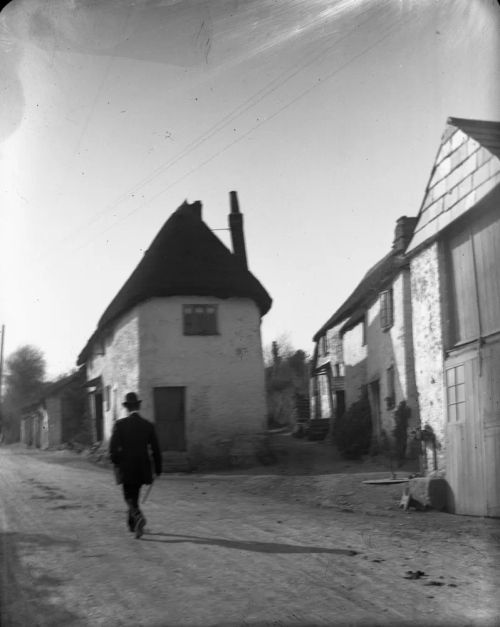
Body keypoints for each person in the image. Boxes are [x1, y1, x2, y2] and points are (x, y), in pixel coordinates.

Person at [109, 392, 162, 538]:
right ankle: (133, 526)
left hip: (126, 467)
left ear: (126, 408)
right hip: (142, 467)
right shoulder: (148, 425)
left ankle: (138, 516)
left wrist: (117, 462)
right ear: (138, 406)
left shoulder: (119, 425)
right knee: (135, 495)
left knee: (128, 496)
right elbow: (156, 449)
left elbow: (113, 450)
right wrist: (158, 469)